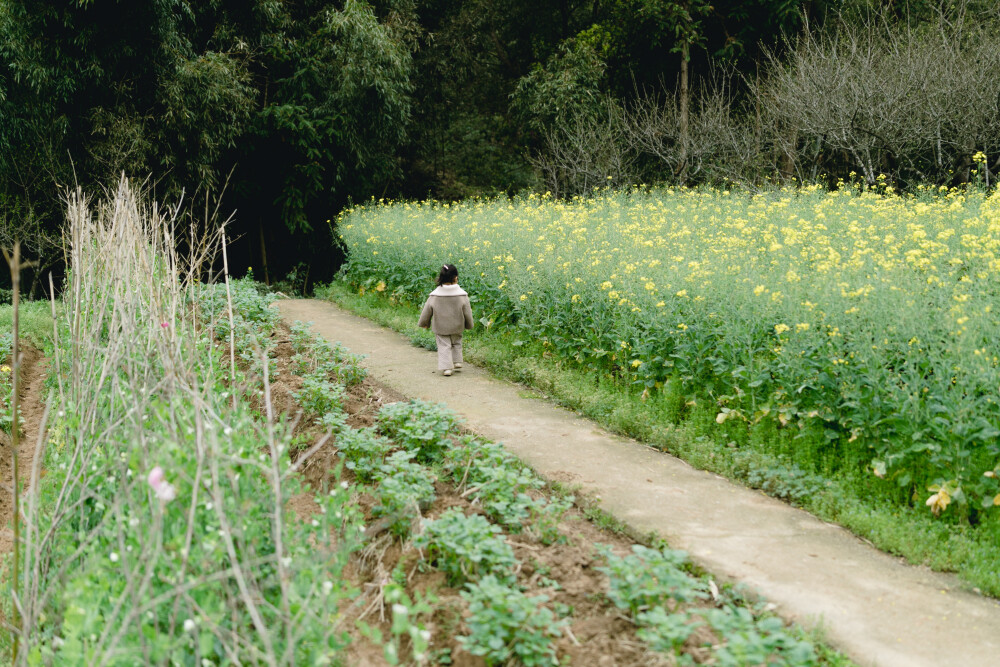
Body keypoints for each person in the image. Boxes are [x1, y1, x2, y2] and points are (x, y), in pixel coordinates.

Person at [418, 263, 473, 376]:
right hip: (457, 325)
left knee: (444, 346)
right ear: (455, 278)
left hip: (441, 326)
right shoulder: (462, 295)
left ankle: (447, 368)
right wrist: (469, 324)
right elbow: (467, 311)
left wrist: (425, 323)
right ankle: (457, 361)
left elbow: (427, 310)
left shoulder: (435, 295)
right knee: (457, 342)